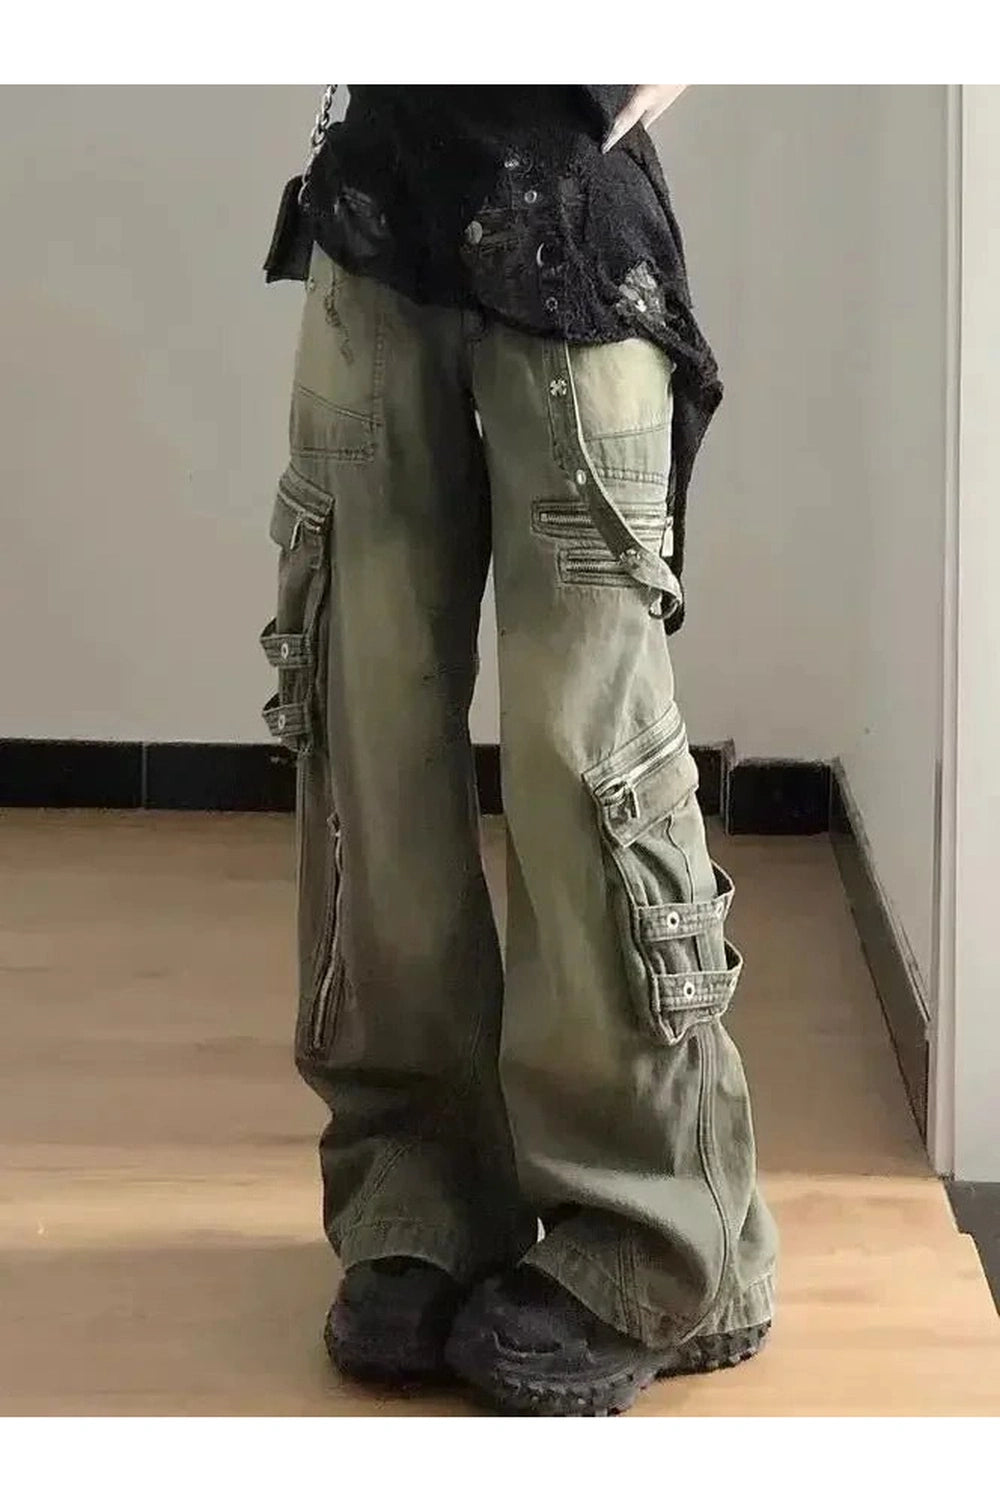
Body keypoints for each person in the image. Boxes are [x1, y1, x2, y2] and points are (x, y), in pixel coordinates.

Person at [261, 84, 777, 1418]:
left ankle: (659, 1228)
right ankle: (418, 1189)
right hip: (375, 207)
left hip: (571, 221)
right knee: (365, 725)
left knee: (583, 750)